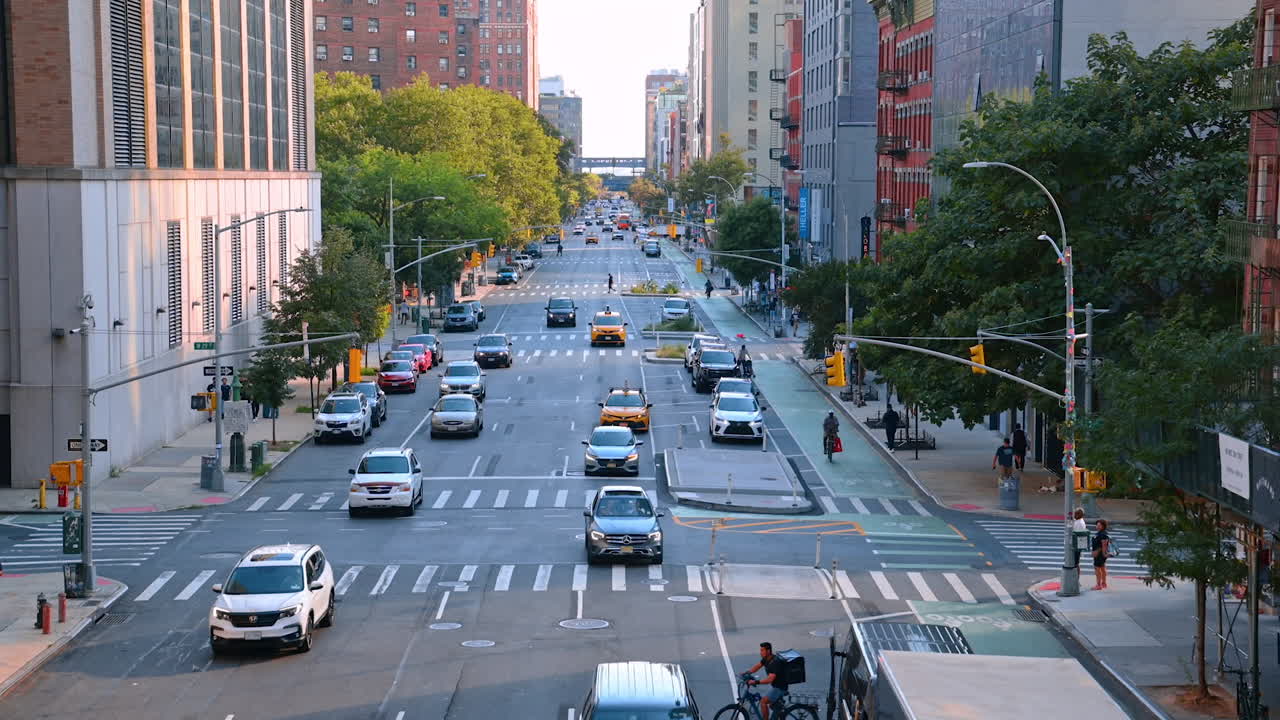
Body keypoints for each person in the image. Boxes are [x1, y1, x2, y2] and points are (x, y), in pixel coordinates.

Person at [742, 642, 789, 720]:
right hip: (776, 685)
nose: (761, 652)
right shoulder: (766, 659)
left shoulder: (774, 662)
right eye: (760, 650)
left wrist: (755, 682)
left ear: (768, 651)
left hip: (779, 687)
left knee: (763, 702)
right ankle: (778, 712)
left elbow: (770, 679)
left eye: (762, 650)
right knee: (772, 704)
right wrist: (748, 672)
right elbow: (758, 666)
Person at [1090, 519, 1111, 590]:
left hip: (1099, 554)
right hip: (1100, 554)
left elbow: (1104, 545)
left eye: (1099, 525)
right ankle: (1104, 583)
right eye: (1097, 525)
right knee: (1102, 568)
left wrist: (1100, 553)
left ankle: (1098, 585)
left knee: (1097, 568)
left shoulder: (1102, 534)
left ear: (1103, 526)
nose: (1097, 526)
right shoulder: (1102, 533)